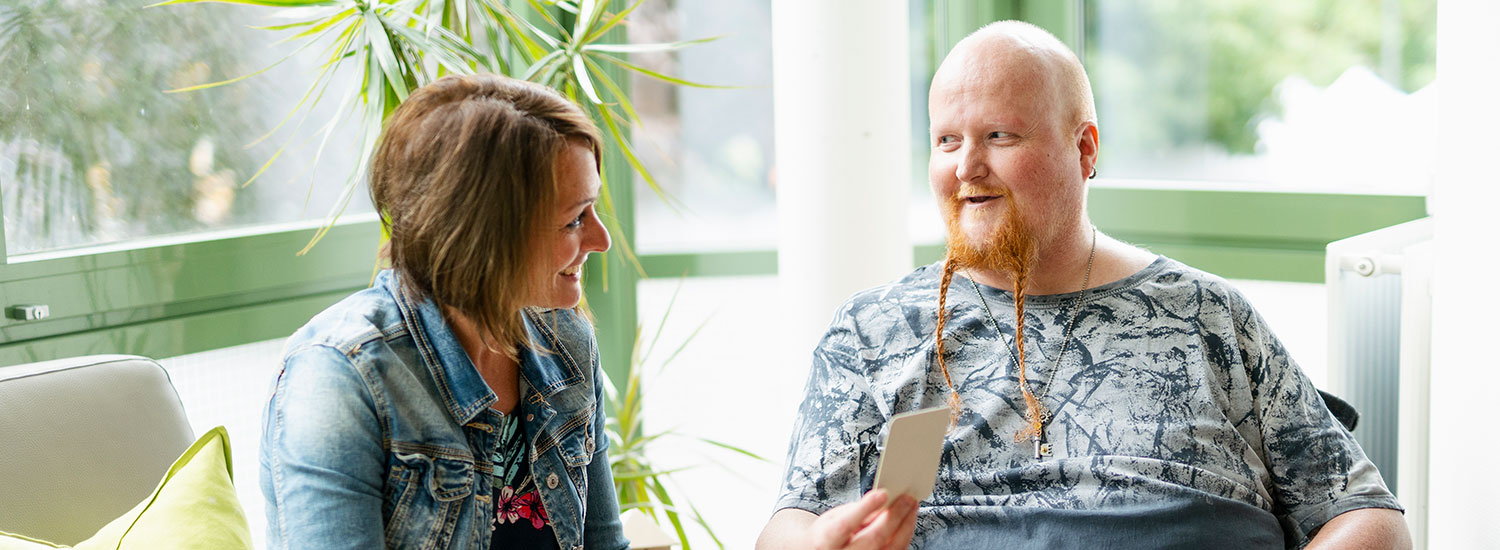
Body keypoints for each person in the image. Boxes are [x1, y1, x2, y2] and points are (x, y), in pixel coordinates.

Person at [756, 21, 1409, 550]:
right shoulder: (873, 331)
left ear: (1086, 149)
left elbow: (1368, 517)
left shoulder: (1207, 316)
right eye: (946, 140)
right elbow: (791, 524)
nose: (965, 166)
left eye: (998, 135)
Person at [260, 74, 629, 550]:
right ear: (486, 236)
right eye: (574, 219)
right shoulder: (339, 378)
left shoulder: (566, 340)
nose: (602, 240)